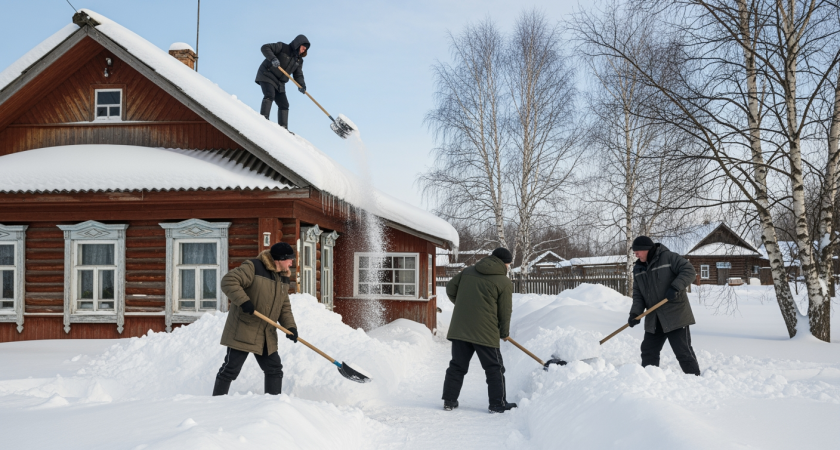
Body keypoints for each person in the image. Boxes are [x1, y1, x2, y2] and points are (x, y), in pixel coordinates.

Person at [212, 242, 299, 396]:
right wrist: (244, 301)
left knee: (274, 369)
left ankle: (272, 405)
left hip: (266, 334)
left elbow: (284, 305)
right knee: (230, 370)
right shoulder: (254, 267)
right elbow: (228, 281)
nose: (292, 263)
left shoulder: (283, 278)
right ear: (279, 259)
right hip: (244, 329)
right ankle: (216, 403)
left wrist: (290, 327)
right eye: (290, 259)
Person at [442, 247, 516, 414]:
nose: (509, 267)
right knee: (494, 368)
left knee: (457, 366)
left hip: (461, 327)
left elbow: (450, 289)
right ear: (504, 264)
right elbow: (505, 311)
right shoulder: (504, 282)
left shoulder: (467, 271)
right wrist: (504, 332)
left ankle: (449, 401)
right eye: (509, 264)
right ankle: (498, 404)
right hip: (486, 331)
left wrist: (464, 307)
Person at [628, 236, 701, 376]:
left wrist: (675, 287)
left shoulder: (668, 258)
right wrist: (634, 313)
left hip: (675, 315)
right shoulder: (638, 268)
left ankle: (696, 381)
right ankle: (649, 380)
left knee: (683, 351)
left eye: (637, 251)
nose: (635, 254)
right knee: (648, 351)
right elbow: (638, 294)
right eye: (634, 252)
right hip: (654, 317)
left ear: (647, 249)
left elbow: (689, 271)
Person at [255, 35, 310, 133]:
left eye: (305, 49)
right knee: (269, 94)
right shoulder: (283, 47)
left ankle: (283, 129)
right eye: (303, 48)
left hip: (280, 82)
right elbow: (265, 47)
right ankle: (263, 119)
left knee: (284, 104)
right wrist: (273, 59)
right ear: (298, 44)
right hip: (267, 74)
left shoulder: (298, 60)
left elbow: (298, 74)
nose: (303, 51)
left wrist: (301, 85)